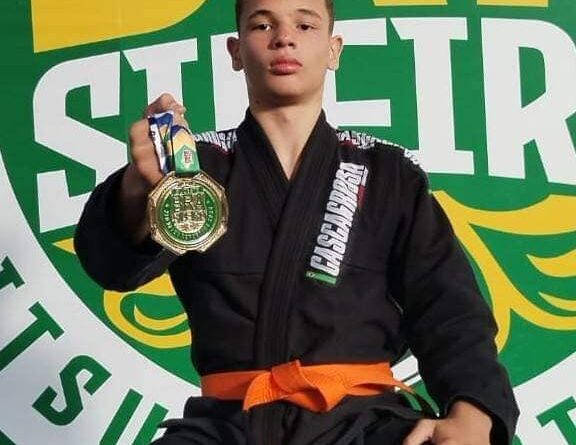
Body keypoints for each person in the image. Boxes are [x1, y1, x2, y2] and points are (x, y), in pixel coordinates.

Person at [74, 0, 519, 444]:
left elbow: (450, 310)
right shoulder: (194, 170)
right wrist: (137, 189)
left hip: (362, 427)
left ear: (333, 49)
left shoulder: (388, 174)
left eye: (305, 25)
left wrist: (474, 413)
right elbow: (112, 268)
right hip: (229, 427)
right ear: (235, 51)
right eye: (262, 25)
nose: (284, 38)